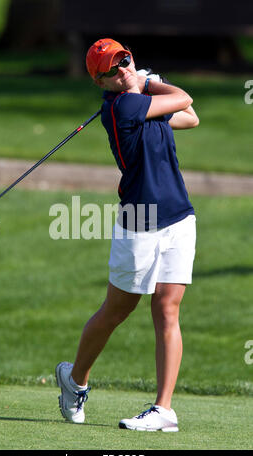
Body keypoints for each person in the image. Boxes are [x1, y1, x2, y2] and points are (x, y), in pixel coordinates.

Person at [55, 38, 199, 432]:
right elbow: (184, 97)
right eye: (113, 70)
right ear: (101, 83)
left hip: (178, 216)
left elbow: (190, 117)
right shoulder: (124, 107)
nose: (123, 70)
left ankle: (164, 410)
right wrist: (148, 82)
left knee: (168, 308)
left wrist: (146, 82)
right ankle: (75, 379)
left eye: (126, 61)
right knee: (118, 309)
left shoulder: (140, 100)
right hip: (140, 220)